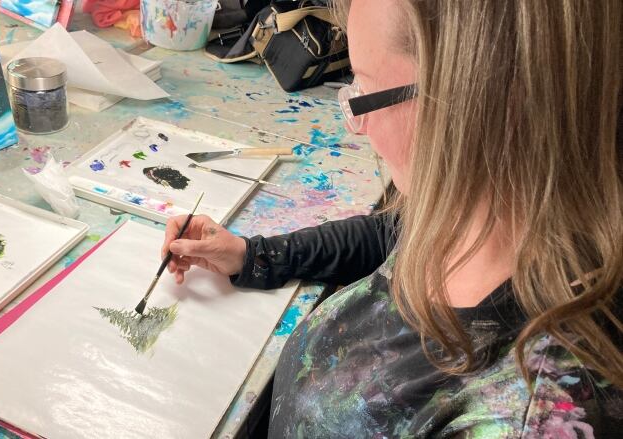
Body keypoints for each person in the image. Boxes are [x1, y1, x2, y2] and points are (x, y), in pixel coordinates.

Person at [163, 0, 622, 437]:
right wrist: (254, 255)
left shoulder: (531, 415)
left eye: (362, 91)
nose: (356, 125)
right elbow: (393, 232)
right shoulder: (482, 205)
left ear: (471, 103)